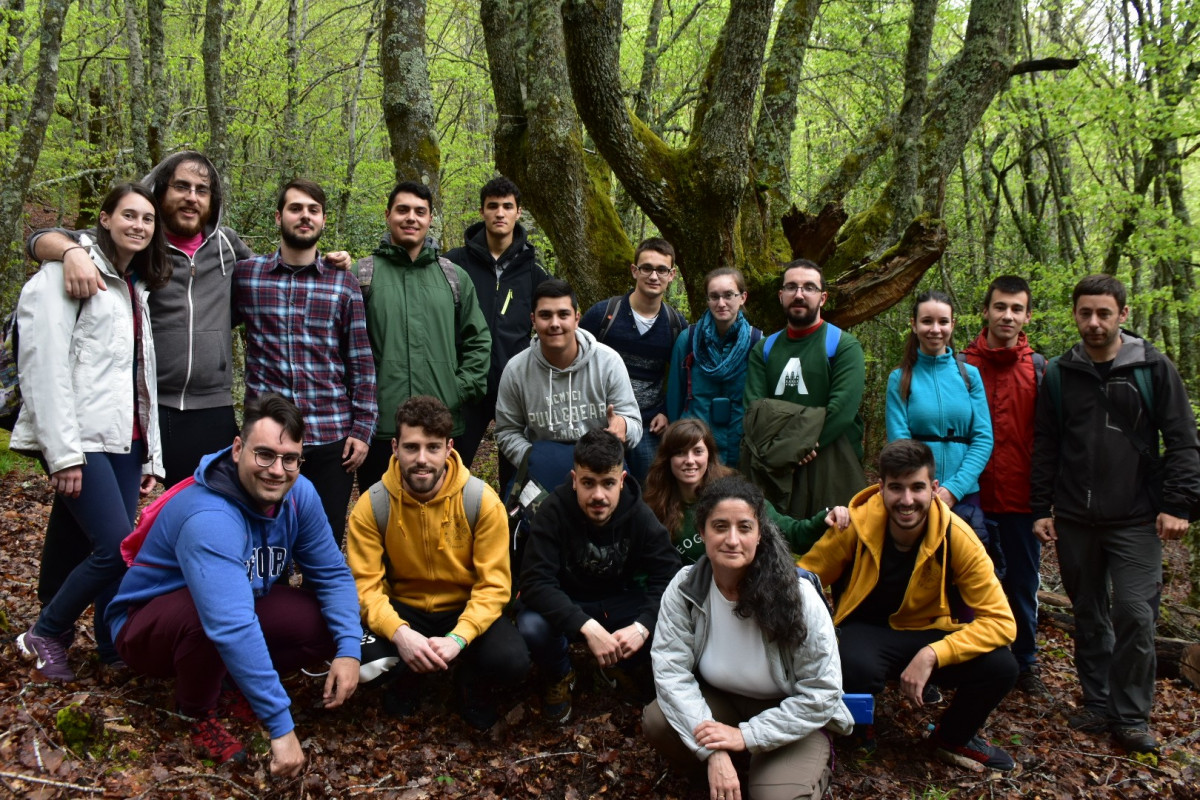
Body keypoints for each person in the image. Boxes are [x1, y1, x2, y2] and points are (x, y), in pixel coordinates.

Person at [106, 395, 362, 772]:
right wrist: (281, 726)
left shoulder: (298, 494)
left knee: (324, 622)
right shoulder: (208, 515)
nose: (277, 470)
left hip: (237, 604)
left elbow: (332, 573)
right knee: (210, 613)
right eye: (264, 455)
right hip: (147, 627)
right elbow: (229, 622)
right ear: (238, 448)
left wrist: (349, 648)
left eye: (289, 459)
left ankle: (230, 681)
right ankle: (196, 710)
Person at [1032, 274, 1200, 755]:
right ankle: (1098, 701)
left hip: (1136, 518)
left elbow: (1184, 440)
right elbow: (1046, 444)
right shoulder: (1061, 374)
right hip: (1075, 517)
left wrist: (1177, 504)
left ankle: (1130, 717)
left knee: (1134, 613)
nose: (1094, 322)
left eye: (1104, 313)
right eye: (1085, 313)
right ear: (1075, 314)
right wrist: (1040, 507)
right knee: (1089, 613)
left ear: (1123, 315)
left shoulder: (1153, 368)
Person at [14, 183, 169, 681]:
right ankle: (46, 630)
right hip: (80, 438)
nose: (139, 226)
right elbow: (44, 366)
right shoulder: (63, 272)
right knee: (117, 548)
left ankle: (111, 646)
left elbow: (137, 380)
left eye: (147, 219)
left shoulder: (133, 287)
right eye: (129, 215)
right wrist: (62, 454)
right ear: (104, 218)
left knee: (106, 546)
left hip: (122, 439)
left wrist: (150, 457)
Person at [799, 440, 1019, 772]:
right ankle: (857, 729)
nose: (907, 500)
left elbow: (1002, 622)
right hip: (864, 633)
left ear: (933, 488)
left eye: (917, 488)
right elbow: (804, 580)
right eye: (896, 488)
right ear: (881, 488)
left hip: (927, 632)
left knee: (1002, 666)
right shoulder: (855, 525)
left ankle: (954, 736)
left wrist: (934, 653)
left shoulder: (956, 536)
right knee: (851, 662)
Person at [643, 476, 854, 800]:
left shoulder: (796, 596)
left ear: (759, 534)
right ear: (701, 532)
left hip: (790, 711)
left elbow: (822, 691)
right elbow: (671, 672)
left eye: (744, 527)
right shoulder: (685, 588)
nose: (732, 539)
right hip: (722, 702)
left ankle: (793, 766)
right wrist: (712, 752)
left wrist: (745, 736)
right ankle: (723, 765)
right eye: (719, 526)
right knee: (659, 720)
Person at [346, 395, 529, 730]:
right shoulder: (372, 506)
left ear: (449, 448)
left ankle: (469, 681)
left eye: (432, 447)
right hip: (404, 609)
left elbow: (495, 586)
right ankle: (405, 680)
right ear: (394, 448)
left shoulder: (480, 501)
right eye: (411, 447)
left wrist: (459, 638)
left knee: (512, 660)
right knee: (357, 661)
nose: (422, 459)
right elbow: (364, 588)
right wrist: (400, 634)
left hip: (463, 608)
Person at [233, 179, 376, 545]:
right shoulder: (248, 277)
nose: (304, 216)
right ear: (279, 216)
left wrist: (362, 430)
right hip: (269, 439)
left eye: (313, 210)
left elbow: (360, 363)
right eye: (296, 208)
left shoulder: (343, 284)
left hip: (331, 437)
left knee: (323, 542)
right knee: (266, 544)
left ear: (324, 220)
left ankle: (318, 603)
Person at [518, 429, 681, 722]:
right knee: (531, 623)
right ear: (574, 479)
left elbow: (670, 575)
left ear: (621, 481)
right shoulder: (552, 511)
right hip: (568, 603)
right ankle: (560, 672)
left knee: (668, 615)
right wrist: (586, 626)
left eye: (608, 484)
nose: (598, 496)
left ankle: (622, 664)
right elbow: (534, 581)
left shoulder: (639, 514)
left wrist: (642, 626)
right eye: (588, 483)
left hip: (616, 604)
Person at [353, 180, 492, 489]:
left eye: (420, 211)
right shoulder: (361, 274)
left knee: (441, 519)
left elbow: (479, 340)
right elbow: (339, 348)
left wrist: (456, 390)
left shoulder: (453, 277)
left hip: (440, 428)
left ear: (430, 219)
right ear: (388, 215)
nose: (411, 218)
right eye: (402, 210)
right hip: (381, 428)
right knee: (382, 519)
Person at [962, 275, 1049, 699]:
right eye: (1001, 307)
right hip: (968, 497)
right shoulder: (960, 366)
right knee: (964, 583)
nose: (1008, 316)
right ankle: (966, 658)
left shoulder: (1040, 369)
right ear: (986, 310)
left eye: (1017, 309)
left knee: (1020, 582)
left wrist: (1048, 502)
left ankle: (1024, 662)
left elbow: (1050, 438)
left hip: (1020, 500)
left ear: (1027, 315)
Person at [742, 259, 867, 519]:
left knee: (831, 544)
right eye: (791, 287)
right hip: (774, 465)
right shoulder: (763, 349)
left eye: (809, 288)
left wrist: (802, 445)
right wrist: (788, 448)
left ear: (822, 298)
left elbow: (841, 410)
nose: (799, 294)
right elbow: (753, 409)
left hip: (830, 462)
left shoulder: (843, 346)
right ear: (780, 296)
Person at [444, 176, 549, 486]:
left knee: (516, 478)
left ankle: (509, 532)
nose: (500, 213)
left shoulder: (533, 271)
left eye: (507, 206)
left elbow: (554, 323)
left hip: (515, 389)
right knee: (450, 468)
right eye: (493, 206)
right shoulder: (453, 264)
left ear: (518, 212)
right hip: (465, 387)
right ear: (482, 212)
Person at [643, 419, 849, 565]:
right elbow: (647, 569)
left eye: (697, 451)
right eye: (680, 453)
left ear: (709, 456)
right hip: (683, 602)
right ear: (667, 459)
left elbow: (793, 534)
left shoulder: (736, 495)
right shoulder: (655, 505)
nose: (690, 460)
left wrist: (827, 517)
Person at [494, 278, 642, 476]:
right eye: (545, 315)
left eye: (563, 314)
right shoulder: (516, 370)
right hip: (543, 466)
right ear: (533, 320)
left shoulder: (608, 362)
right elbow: (507, 431)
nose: (555, 323)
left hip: (601, 467)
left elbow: (634, 423)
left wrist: (623, 426)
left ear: (576, 318)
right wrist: (533, 460)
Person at [580, 238, 687, 483]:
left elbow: (682, 376)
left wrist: (666, 412)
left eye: (661, 270)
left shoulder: (675, 325)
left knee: (650, 489)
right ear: (634, 271)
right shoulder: (604, 315)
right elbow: (576, 361)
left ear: (671, 275)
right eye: (647, 268)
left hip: (648, 423)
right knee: (597, 484)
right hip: (598, 420)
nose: (653, 276)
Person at [885, 290, 993, 514]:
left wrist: (954, 489)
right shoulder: (900, 378)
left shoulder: (969, 376)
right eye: (927, 321)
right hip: (915, 495)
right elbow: (900, 441)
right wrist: (925, 488)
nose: (935, 329)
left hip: (965, 495)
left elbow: (983, 438)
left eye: (943, 321)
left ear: (952, 324)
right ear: (914, 325)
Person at [666, 267, 761, 468]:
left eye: (728, 295)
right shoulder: (689, 340)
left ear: (743, 297)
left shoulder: (757, 342)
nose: (721, 303)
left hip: (739, 446)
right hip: (695, 446)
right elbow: (675, 395)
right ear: (707, 300)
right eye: (714, 297)